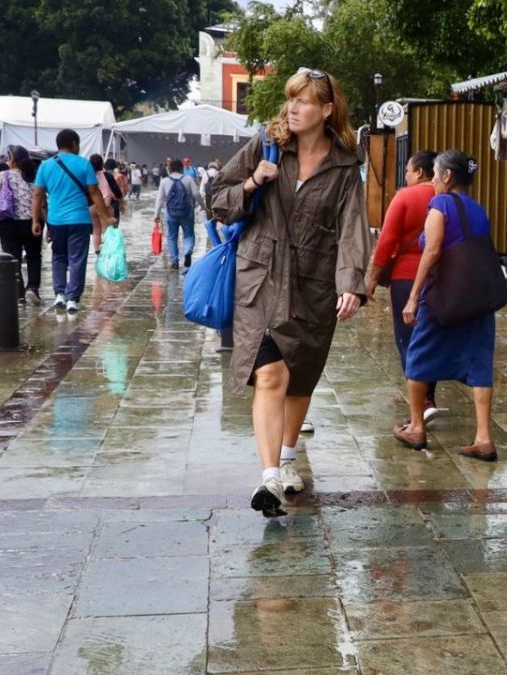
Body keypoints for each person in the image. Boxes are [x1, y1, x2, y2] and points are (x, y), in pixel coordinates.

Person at [209, 67, 370, 517]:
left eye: (303, 101)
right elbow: (217, 200)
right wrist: (252, 181)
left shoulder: (344, 166)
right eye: (290, 99)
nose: (293, 108)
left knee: (299, 378)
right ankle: (268, 478)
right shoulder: (266, 147)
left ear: (326, 109)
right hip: (260, 279)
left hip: (313, 285)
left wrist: (351, 284)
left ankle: (286, 455)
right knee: (270, 374)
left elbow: (352, 229)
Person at [393, 150, 499, 462]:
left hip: (443, 298)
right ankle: (484, 437)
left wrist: (413, 296)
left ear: (447, 177)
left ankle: (415, 426)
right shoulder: (478, 209)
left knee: (418, 356)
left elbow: (433, 249)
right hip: (478, 300)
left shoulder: (440, 204)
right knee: (480, 364)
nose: (434, 181)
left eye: (436, 175)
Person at [366, 150, 440, 422]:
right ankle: (429, 395)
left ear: (420, 172)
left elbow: (386, 241)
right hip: (441, 278)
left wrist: (372, 279)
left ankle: (419, 406)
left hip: (406, 279)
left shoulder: (405, 197)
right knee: (431, 336)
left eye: (408, 171)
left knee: (408, 340)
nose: (406, 176)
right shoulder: (448, 197)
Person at [32, 129, 117, 314]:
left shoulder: (45, 166)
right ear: (74, 144)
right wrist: (106, 217)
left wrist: (35, 221)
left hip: (55, 221)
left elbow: (38, 195)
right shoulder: (84, 164)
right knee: (77, 259)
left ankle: (59, 294)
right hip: (79, 219)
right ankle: (73, 299)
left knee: (58, 256)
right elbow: (94, 192)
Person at [0, 145, 42, 305]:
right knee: (34, 257)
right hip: (31, 222)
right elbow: (41, 200)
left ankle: (19, 295)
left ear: (12, 159)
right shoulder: (34, 176)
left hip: (8, 223)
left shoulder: (2, 175)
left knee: (13, 259)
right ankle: (33, 288)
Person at [154, 159, 206, 271]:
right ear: (182, 168)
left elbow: (160, 199)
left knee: (172, 236)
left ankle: (174, 261)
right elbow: (196, 194)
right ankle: (187, 251)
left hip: (170, 213)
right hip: (187, 211)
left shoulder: (165, 181)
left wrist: (156, 214)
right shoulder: (188, 179)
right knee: (188, 234)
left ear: (170, 168)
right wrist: (203, 206)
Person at [89, 154, 120, 252]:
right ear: (102, 164)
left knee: (96, 230)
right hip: (105, 206)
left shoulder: (88, 176)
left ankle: (97, 251)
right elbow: (117, 192)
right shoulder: (107, 175)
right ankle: (107, 252)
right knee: (107, 230)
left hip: (91, 206)